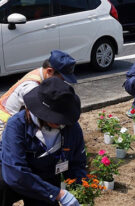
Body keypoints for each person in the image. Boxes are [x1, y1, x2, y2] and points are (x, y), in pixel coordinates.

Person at [0, 77, 86, 206]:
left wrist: (80, 188)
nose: (61, 123)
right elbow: (15, 173)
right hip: (10, 177)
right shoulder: (17, 125)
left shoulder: (71, 128)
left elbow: (77, 163)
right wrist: (57, 193)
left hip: (46, 178)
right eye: (56, 118)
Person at [0, 50, 77, 135]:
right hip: (4, 124)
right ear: (49, 71)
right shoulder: (31, 87)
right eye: (62, 79)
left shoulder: (41, 73)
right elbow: (39, 117)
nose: (62, 83)